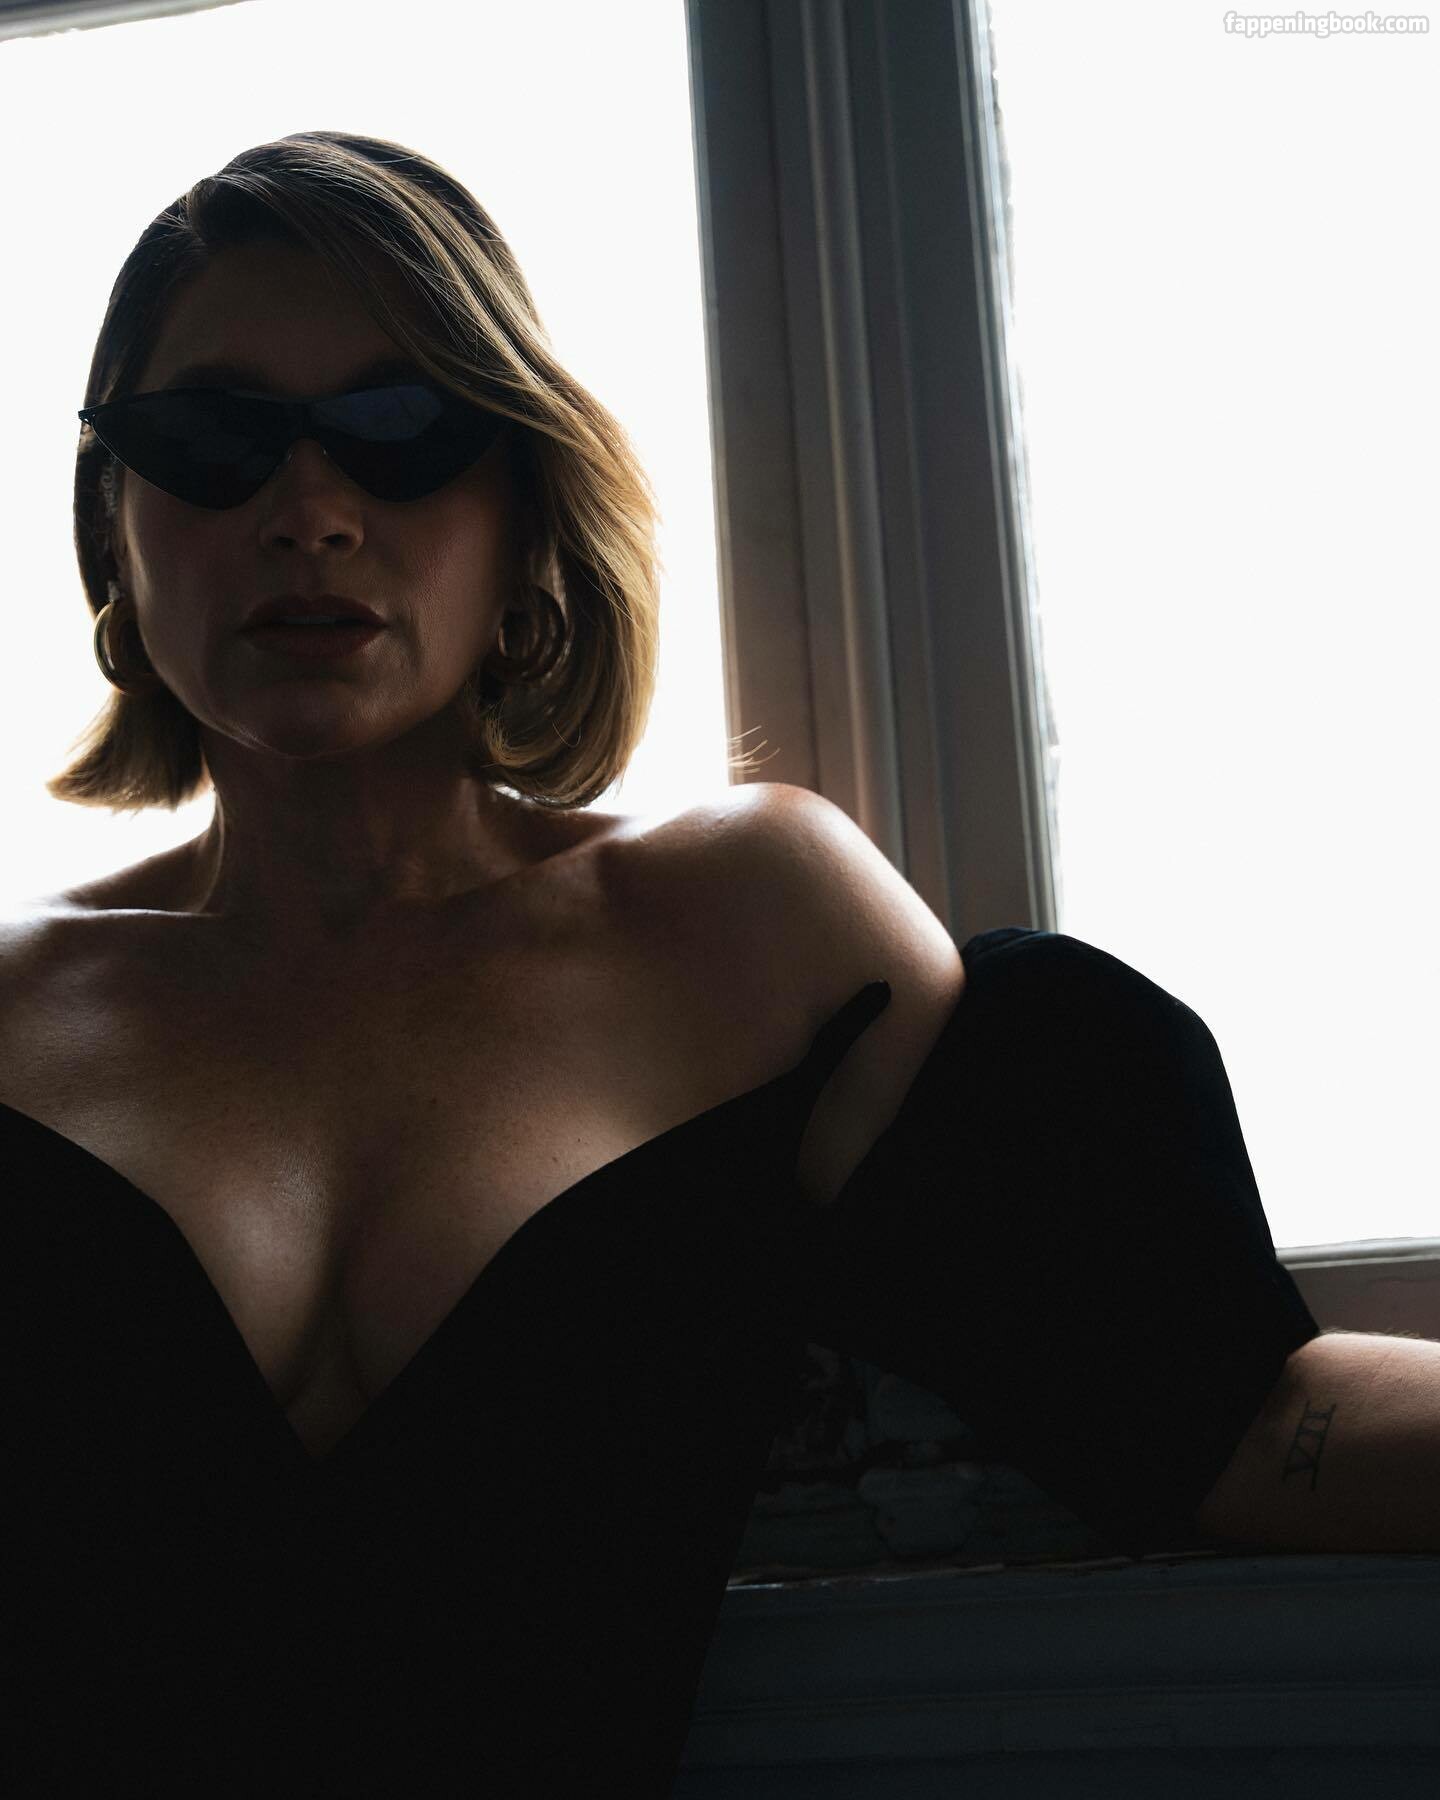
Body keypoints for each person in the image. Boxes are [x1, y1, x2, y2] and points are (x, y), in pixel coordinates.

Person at [3, 130, 1436, 1797]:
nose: (309, 513)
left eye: (404, 432)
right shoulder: (16, 1016)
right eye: (213, 442)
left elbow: (1232, 1415)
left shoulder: (747, 931)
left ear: (524, 512)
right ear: (114, 529)